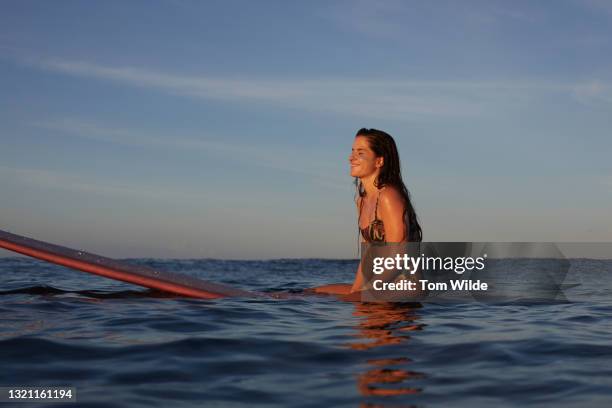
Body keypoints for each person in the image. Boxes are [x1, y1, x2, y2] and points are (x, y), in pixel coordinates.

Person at [312, 128, 422, 297]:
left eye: (360, 153)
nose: (351, 157)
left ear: (379, 161)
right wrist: (356, 289)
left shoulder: (388, 196)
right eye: (352, 151)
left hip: (405, 288)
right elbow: (368, 258)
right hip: (381, 286)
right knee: (310, 293)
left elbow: (400, 257)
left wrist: (363, 292)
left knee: (351, 299)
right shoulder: (362, 201)